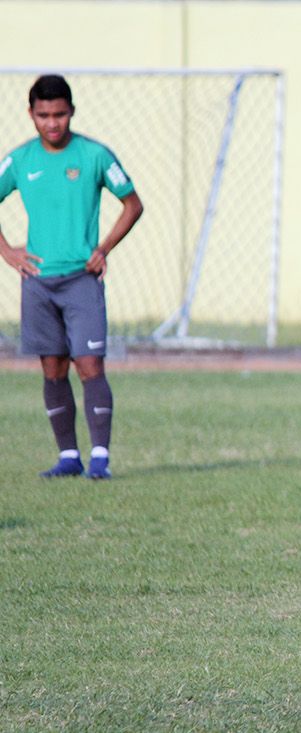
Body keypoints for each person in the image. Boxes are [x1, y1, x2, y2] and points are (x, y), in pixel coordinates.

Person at [0, 74, 144, 480]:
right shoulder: (20, 160)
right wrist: (7, 251)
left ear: (71, 112)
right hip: (38, 282)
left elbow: (132, 205)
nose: (52, 123)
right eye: (43, 115)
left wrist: (104, 249)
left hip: (82, 279)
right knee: (52, 367)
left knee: (89, 364)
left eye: (59, 114)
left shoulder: (94, 155)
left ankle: (100, 457)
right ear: (31, 114)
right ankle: (68, 456)